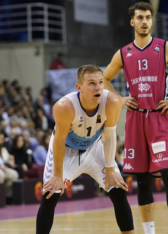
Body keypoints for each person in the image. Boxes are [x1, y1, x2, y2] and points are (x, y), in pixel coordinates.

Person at [103, 2, 168, 234]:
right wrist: (119, 99)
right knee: (142, 180)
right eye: (140, 17)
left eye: (148, 17)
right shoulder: (123, 53)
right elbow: (104, 79)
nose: (144, 21)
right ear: (132, 22)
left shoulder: (166, 47)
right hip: (135, 120)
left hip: (159, 119)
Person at [36, 65, 134, 234]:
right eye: (91, 83)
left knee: (117, 189)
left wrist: (110, 169)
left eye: (100, 82)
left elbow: (110, 136)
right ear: (79, 87)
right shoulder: (64, 106)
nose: (98, 87)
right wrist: (58, 175)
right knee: (50, 194)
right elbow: (58, 141)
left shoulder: (112, 101)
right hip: (66, 151)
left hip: (95, 148)